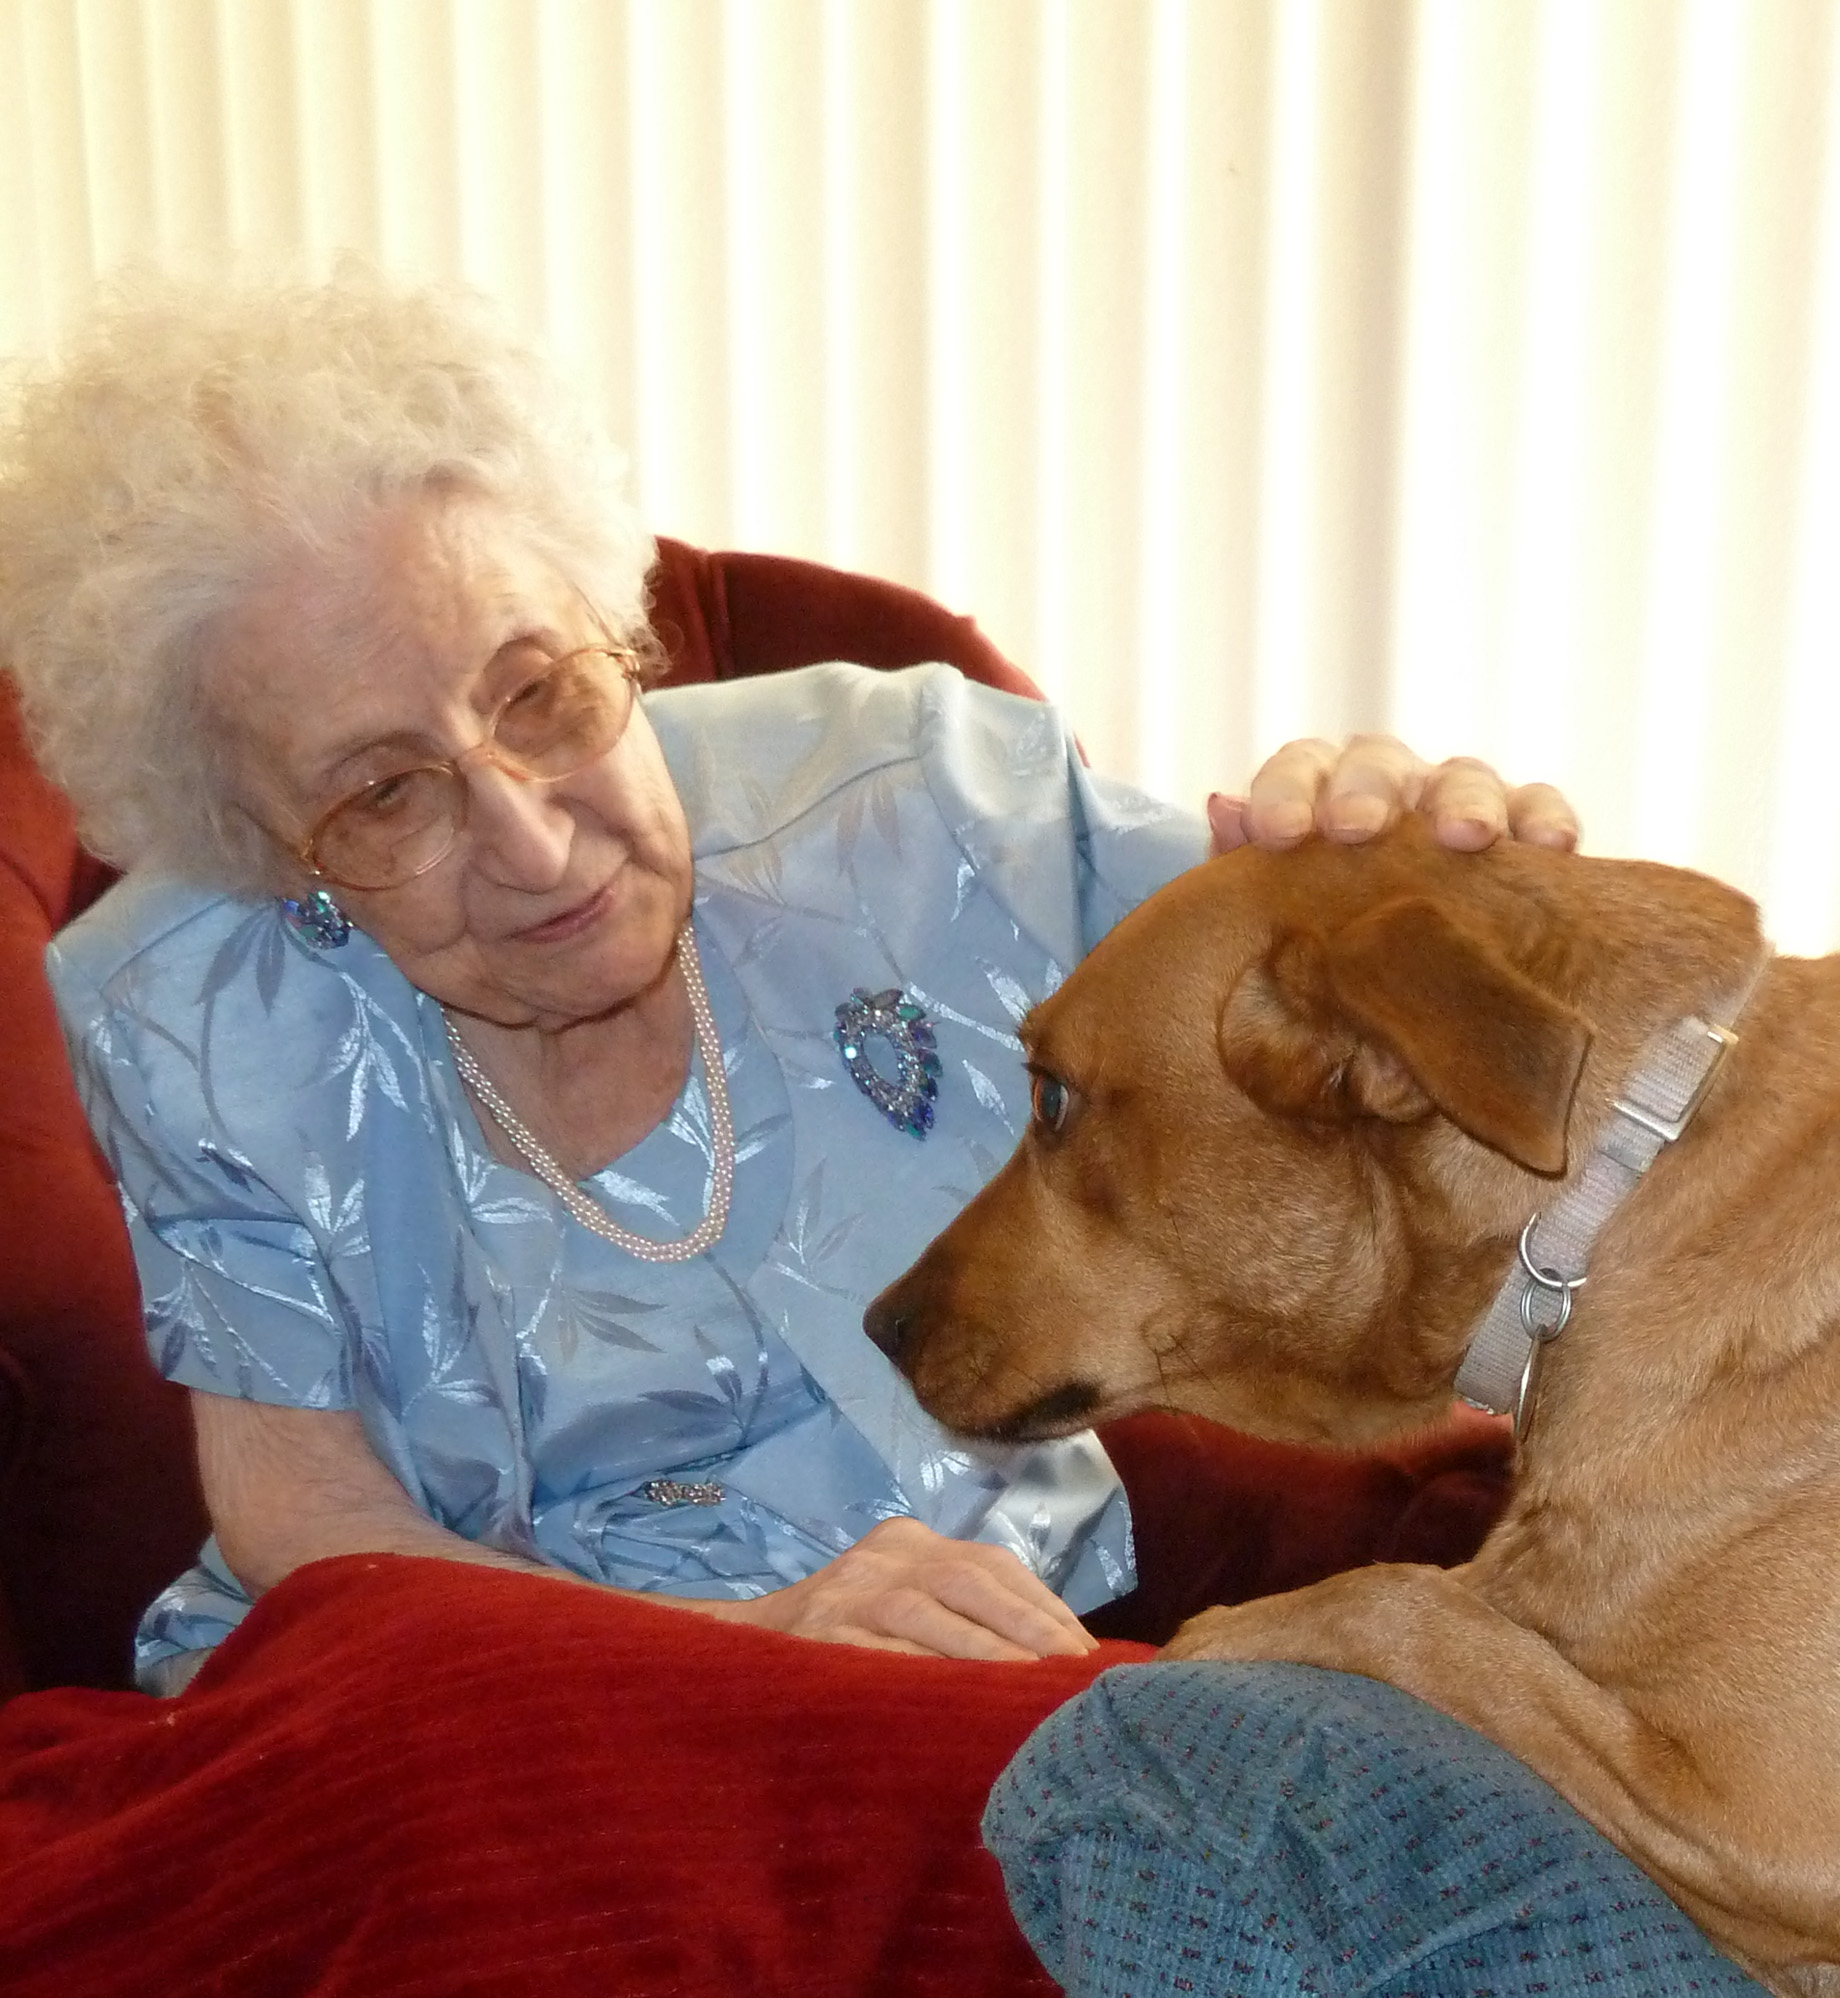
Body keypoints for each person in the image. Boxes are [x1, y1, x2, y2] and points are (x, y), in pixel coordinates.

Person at [0, 268, 1572, 1695]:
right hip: (479, 1688)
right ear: (257, 841)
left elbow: (1349, 980)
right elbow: (309, 1523)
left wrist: (1418, 859)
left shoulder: (928, 814)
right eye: (382, 795)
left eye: (540, 693)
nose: (538, 847)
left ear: (622, 629)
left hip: (988, 1654)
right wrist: (751, 1652)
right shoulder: (191, 1017)